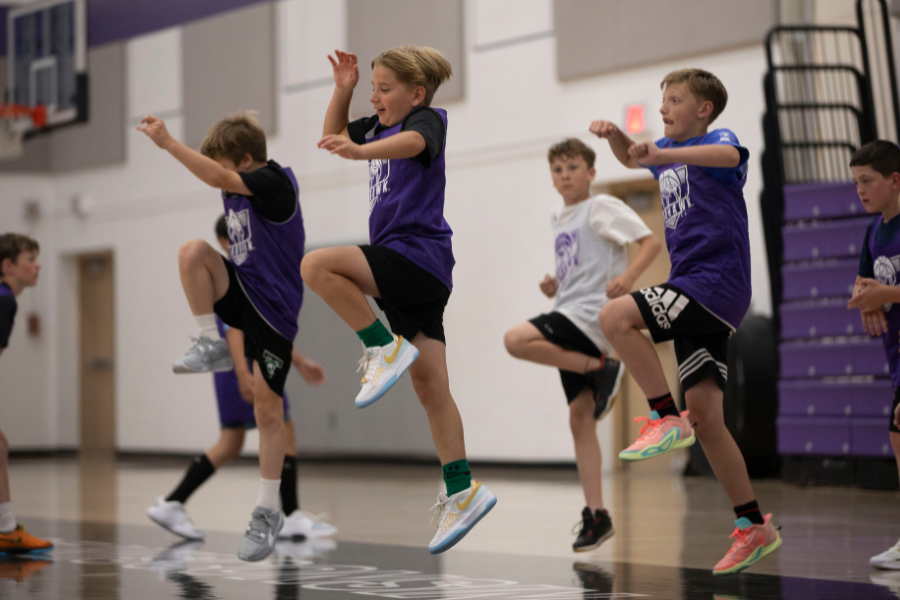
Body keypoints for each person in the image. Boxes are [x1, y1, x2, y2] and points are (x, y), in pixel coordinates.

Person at [302, 47, 495, 554]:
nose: (375, 96)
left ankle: (379, 346)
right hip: (416, 271)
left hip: (415, 256)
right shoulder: (380, 127)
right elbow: (335, 137)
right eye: (373, 88)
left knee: (316, 265)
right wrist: (343, 88)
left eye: (384, 89)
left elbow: (412, 144)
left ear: (416, 92)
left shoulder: (428, 121)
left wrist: (362, 152)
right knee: (431, 387)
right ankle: (462, 491)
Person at [593, 69, 780, 575]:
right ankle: (753, 524)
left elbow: (731, 157)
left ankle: (662, 415)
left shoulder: (716, 143)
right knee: (708, 418)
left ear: (703, 109)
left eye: (674, 100)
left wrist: (664, 153)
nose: (664, 109)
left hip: (713, 282)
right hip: (699, 292)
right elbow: (638, 155)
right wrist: (619, 139)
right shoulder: (668, 159)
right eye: (663, 101)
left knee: (615, 316)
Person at [138, 111, 307, 561]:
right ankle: (207, 339)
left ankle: (268, 511)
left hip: (273, 311)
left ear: (247, 160)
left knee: (269, 413)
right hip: (242, 292)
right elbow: (217, 174)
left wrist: (168, 142)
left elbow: (214, 172)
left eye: (226, 169)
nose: (219, 181)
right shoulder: (235, 187)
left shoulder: (274, 182)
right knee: (193, 250)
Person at [504, 138, 660, 552]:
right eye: (557, 169)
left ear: (590, 173)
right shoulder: (559, 215)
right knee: (579, 418)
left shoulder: (601, 206)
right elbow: (580, 263)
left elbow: (651, 243)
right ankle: (598, 515)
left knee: (516, 340)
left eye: (573, 167)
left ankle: (599, 367)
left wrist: (630, 279)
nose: (565, 175)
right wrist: (556, 282)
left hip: (589, 316)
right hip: (569, 305)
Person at [147, 216, 335, 543]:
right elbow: (237, 328)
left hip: (242, 366)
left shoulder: (236, 274)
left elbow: (265, 331)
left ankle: (172, 503)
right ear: (224, 241)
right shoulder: (238, 274)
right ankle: (290, 517)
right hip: (246, 367)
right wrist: (244, 373)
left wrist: (301, 362)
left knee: (230, 443)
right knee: (282, 431)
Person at [844, 140, 900, 570]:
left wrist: (886, 294)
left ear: (895, 180)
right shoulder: (873, 231)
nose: (860, 190)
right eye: (856, 182)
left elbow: (882, 288)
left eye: (868, 181)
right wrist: (864, 297)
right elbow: (864, 284)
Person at [0, 233, 53, 556]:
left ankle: (6, 528)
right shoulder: (4, 299)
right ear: (8, 265)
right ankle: (6, 529)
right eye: (30, 260)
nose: (38, 265)